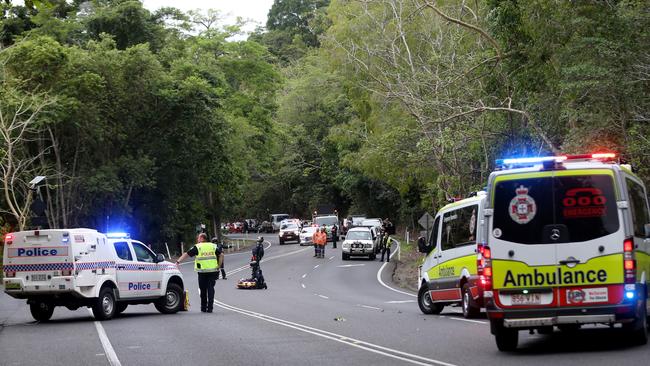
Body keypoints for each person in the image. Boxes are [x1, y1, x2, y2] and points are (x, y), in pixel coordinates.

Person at [176, 233, 221, 313]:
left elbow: (186, 254)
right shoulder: (213, 246)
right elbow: (221, 255)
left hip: (202, 272)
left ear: (201, 238)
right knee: (211, 289)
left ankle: (203, 308)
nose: (197, 239)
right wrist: (219, 266)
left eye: (198, 238)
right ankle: (210, 308)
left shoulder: (198, 247)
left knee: (203, 290)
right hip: (212, 271)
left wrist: (178, 262)